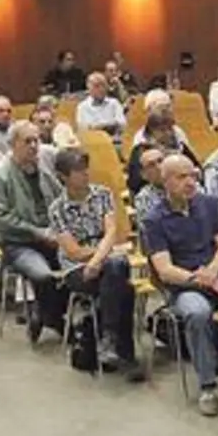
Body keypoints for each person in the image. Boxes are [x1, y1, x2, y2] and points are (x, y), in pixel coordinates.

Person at [142, 154, 218, 415]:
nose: (190, 182)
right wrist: (201, 280)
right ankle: (208, 386)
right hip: (184, 287)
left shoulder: (209, 204)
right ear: (165, 182)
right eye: (182, 177)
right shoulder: (154, 220)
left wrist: (212, 272)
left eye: (193, 176)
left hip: (217, 276)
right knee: (198, 313)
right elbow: (165, 270)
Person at [48, 148, 143, 380]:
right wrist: (101, 256)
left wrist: (98, 260)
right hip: (76, 270)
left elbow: (111, 231)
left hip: (104, 265)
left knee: (117, 275)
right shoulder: (57, 209)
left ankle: (109, 338)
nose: (85, 174)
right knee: (122, 281)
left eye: (85, 169)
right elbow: (74, 251)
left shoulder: (102, 194)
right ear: (63, 177)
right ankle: (124, 353)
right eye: (78, 171)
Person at [0, 122, 68, 342]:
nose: (34, 146)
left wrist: (60, 230)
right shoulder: (0, 178)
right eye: (28, 141)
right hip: (18, 243)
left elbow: (62, 200)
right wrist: (38, 233)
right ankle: (56, 319)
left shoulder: (44, 170)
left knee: (80, 269)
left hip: (52, 237)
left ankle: (42, 313)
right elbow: (2, 219)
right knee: (43, 276)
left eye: (37, 140)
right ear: (13, 145)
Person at [75, 72, 126, 141]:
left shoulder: (114, 103)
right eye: (97, 86)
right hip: (91, 142)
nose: (101, 89)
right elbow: (83, 129)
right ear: (89, 88)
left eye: (104, 85)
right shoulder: (82, 107)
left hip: (112, 141)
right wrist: (105, 125)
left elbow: (122, 124)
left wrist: (100, 126)